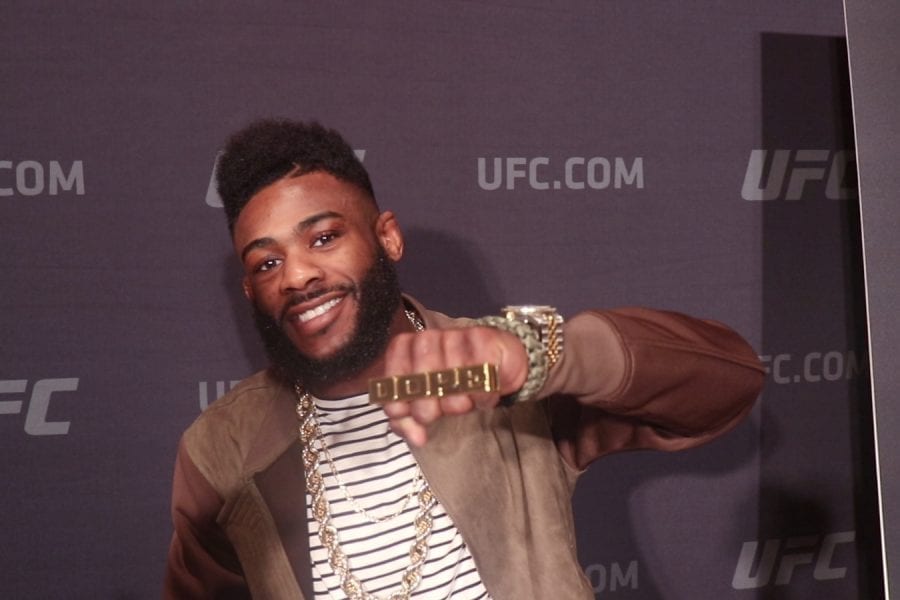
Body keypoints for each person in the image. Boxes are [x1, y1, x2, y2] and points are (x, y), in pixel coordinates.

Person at [164, 119, 765, 599]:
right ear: (251, 291)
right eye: (267, 263)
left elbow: (730, 381)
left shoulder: (499, 368)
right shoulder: (223, 448)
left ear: (387, 238)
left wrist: (544, 355)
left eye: (324, 238)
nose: (296, 276)